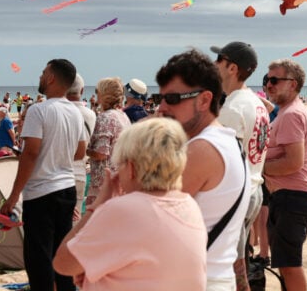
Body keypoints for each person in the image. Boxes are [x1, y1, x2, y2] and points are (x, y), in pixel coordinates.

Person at [53, 118, 208, 290]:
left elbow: (63, 262)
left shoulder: (125, 210)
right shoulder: (190, 206)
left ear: (132, 168)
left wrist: (98, 205)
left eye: (120, 164)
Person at [156, 49, 249, 291]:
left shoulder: (202, 150)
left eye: (173, 99)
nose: (161, 108)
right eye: (161, 98)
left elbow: (151, 223)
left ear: (205, 100)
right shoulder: (227, 141)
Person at [0, 59, 86, 291]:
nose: (40, 76)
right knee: (61, 255)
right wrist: (58, 154)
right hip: (66, 188)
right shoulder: (76, 112)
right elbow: (80, 152)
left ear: (51, 78)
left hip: (42, 193)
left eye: (43, 72)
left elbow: (31, 154)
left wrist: (13, 197)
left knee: (39, 260)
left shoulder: (39, 110)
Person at [212, 41, 270, 290]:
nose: (214, 65)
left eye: (219, 60)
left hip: (238, 194)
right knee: (238, 262)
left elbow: (225, 161)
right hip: (254, 188)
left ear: (232, 67)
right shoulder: (256, 103)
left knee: (231, 268)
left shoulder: (234, 108)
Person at [262, 59, 307, 291]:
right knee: (286, 264)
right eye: (267, 80)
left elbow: (293, 162)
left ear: (292, 84)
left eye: (275, 80)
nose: (269, 85)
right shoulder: (287, 112)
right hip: (290, 196)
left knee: (290, 265)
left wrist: (258, 167)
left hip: (292, 196)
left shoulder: (292, 115)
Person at [87, 77, 131, 207]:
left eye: (98, 91)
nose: (96, 94)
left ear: (105, 94)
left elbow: (101, 154)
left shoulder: (105, 118)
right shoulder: (123, 117)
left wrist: (85, 150)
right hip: (120, 181)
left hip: (104, 184)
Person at [66, 74, 96, 218]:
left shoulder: (59, 111)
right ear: (82, 91)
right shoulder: (90, 115)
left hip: (60, 174)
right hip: (80, 172)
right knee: (75, 221)